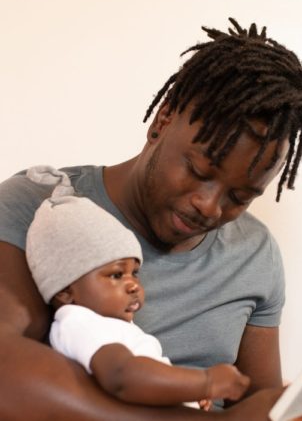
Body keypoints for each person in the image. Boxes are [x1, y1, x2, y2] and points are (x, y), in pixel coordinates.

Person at [0, 18, 302, 420]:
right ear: (162, 121)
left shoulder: (255, 253)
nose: (209, 206)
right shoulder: (42, 206)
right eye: (200, 171)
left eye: (240, 196)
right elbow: (6, 375)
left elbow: (255, 405)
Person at [24, 165, 250, 410]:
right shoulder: (79, 324)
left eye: (135, 273)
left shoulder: (109, 325)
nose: (132, 284)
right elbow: (122, 377)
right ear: (66, 291)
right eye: (117, 274)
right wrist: (203, 382)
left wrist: (184, 397)